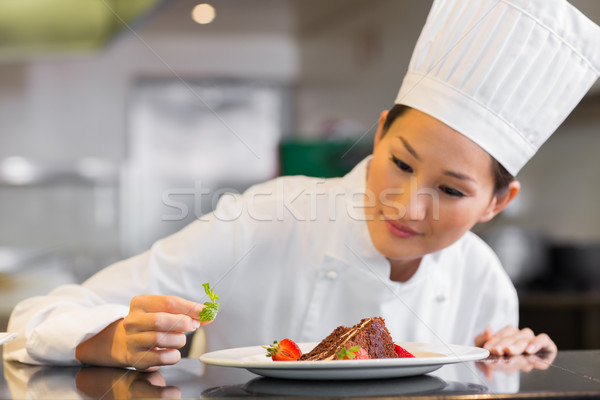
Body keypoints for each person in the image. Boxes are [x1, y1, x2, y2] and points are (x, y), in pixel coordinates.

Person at [5, 0, 600, 371]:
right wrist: (111, 339)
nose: (406, 203)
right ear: (383, 129)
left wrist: (511, 365)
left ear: (499, 202)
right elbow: (38, 316)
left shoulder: (483, 281)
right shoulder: (268, 218)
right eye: (399, 162)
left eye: (450, 191)